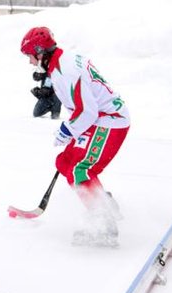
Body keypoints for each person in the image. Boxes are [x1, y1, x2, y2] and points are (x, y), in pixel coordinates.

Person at [20, 27, 130, 247]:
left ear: (41, 53)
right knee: (65, 161)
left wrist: (67, 130)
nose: (31, 62)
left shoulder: (64, 71)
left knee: (82, 168)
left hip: (110, 120)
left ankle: (104, 224)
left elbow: (86, 112)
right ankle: (103, 201)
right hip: (97, 119)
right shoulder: (61, 62)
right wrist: (73, 129)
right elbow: (83, 106)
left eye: (31, 56)